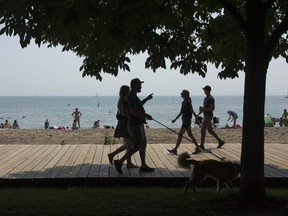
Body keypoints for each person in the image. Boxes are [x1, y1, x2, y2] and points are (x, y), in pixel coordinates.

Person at [113, 78, 154, 174]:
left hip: (138, 123)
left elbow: (137, 107)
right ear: (135, 86)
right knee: (136, 146)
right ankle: (119, 162)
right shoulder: (131, 96)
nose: (141, 87)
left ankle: (143, 166)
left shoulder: (134, 96)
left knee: (143, 144)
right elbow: (132, 111)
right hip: (134, 124)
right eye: (139, 85)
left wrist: (147, 100)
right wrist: (145, 115)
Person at [108, 85, 138, 168]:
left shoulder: (121, 100)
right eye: (128, 90)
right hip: (125, 124)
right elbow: (125, 113)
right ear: (126, 91)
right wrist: (133, 117)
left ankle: (112, 155)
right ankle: (128, 163)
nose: (130, 91)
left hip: (122, 124)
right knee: (129, 145)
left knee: (128, 144)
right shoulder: (124, 100)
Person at [168, 90, 201, 155]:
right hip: (184, 120)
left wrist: (197, 119)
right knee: (190, 135)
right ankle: (198, 148)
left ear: (186, 94)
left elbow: (192, 111)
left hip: (187, 120)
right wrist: (175, 119)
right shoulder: (183, 102)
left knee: (180, 135)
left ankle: (175, 149)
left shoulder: (188, 102)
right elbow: (181, 112)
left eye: (182, 93)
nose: (181, 94)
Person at [198, 85, 225, 150]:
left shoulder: (211, 98)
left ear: (207, 90)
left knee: (202, 129)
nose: (203, 91)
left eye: (204, 89)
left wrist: (204, 109)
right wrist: (198, 114)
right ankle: (220, 141)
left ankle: (202, 144)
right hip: (206, 116)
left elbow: (212, 108)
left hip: (209, 116)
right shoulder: (205, 98)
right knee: (210, 130)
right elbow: (204, 108)